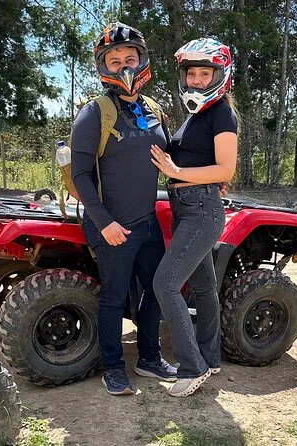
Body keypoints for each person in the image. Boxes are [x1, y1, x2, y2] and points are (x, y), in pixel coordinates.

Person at [70, 22, 176, 396]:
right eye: (114, 61)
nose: (123, 66)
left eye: (129, 58)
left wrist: (209, 176)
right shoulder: (94, 113)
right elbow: (80, 176)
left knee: (157, 289)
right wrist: (105, 223)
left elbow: (172, 158)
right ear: (103, 66)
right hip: (111, 225)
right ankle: (113, 368)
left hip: (147, 222)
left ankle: (149, 358)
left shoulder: (154, 109)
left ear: (142, 60)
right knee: (114, 298)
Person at [150, 38, 238, 397]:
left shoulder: (221, 114)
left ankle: (192, 367)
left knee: (165, 284)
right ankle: (210, 359)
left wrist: (176, 171)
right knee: (203, 288)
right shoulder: (195, 116)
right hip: (187, 207)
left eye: (205, 74)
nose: (197, 80)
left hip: (200, 209)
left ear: (220, 76)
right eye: (191, 74)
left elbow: (225, 168)